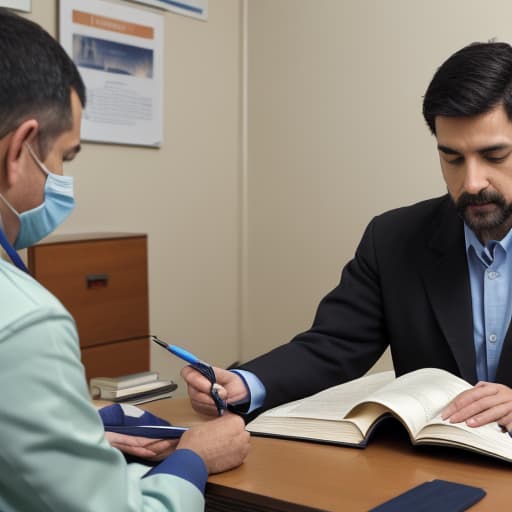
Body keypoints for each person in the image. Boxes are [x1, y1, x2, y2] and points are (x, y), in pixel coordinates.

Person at [183, 41, 512, 434]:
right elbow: (332, 347)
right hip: (435, 469)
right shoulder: (393, 239)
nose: (472, 182)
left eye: (495, 156)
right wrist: (246, 385)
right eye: (452, 158)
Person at [0, 9, 249, 512]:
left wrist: (74, 431)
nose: (62, 178)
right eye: (64, 159)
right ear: (19, 148)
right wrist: (193, 459)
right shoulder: (25, 320)